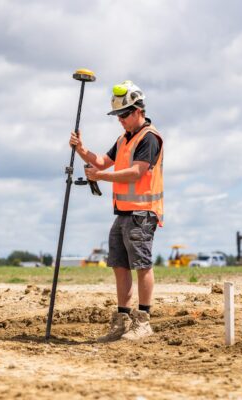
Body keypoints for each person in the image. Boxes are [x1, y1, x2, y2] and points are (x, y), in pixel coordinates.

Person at [69, 80, 163, 341]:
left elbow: (136, 172)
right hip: (123, 213)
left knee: (142, 265)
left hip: (142, 213)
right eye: (117, 116)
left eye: (123, 115)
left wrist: (100, 176)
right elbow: (102, 161)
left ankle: (143, 321)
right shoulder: (124, 139)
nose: (119, 120)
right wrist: (81, 150)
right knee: (120, 266)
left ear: (137, 111)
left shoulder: (149, 138)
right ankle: (122, 320)